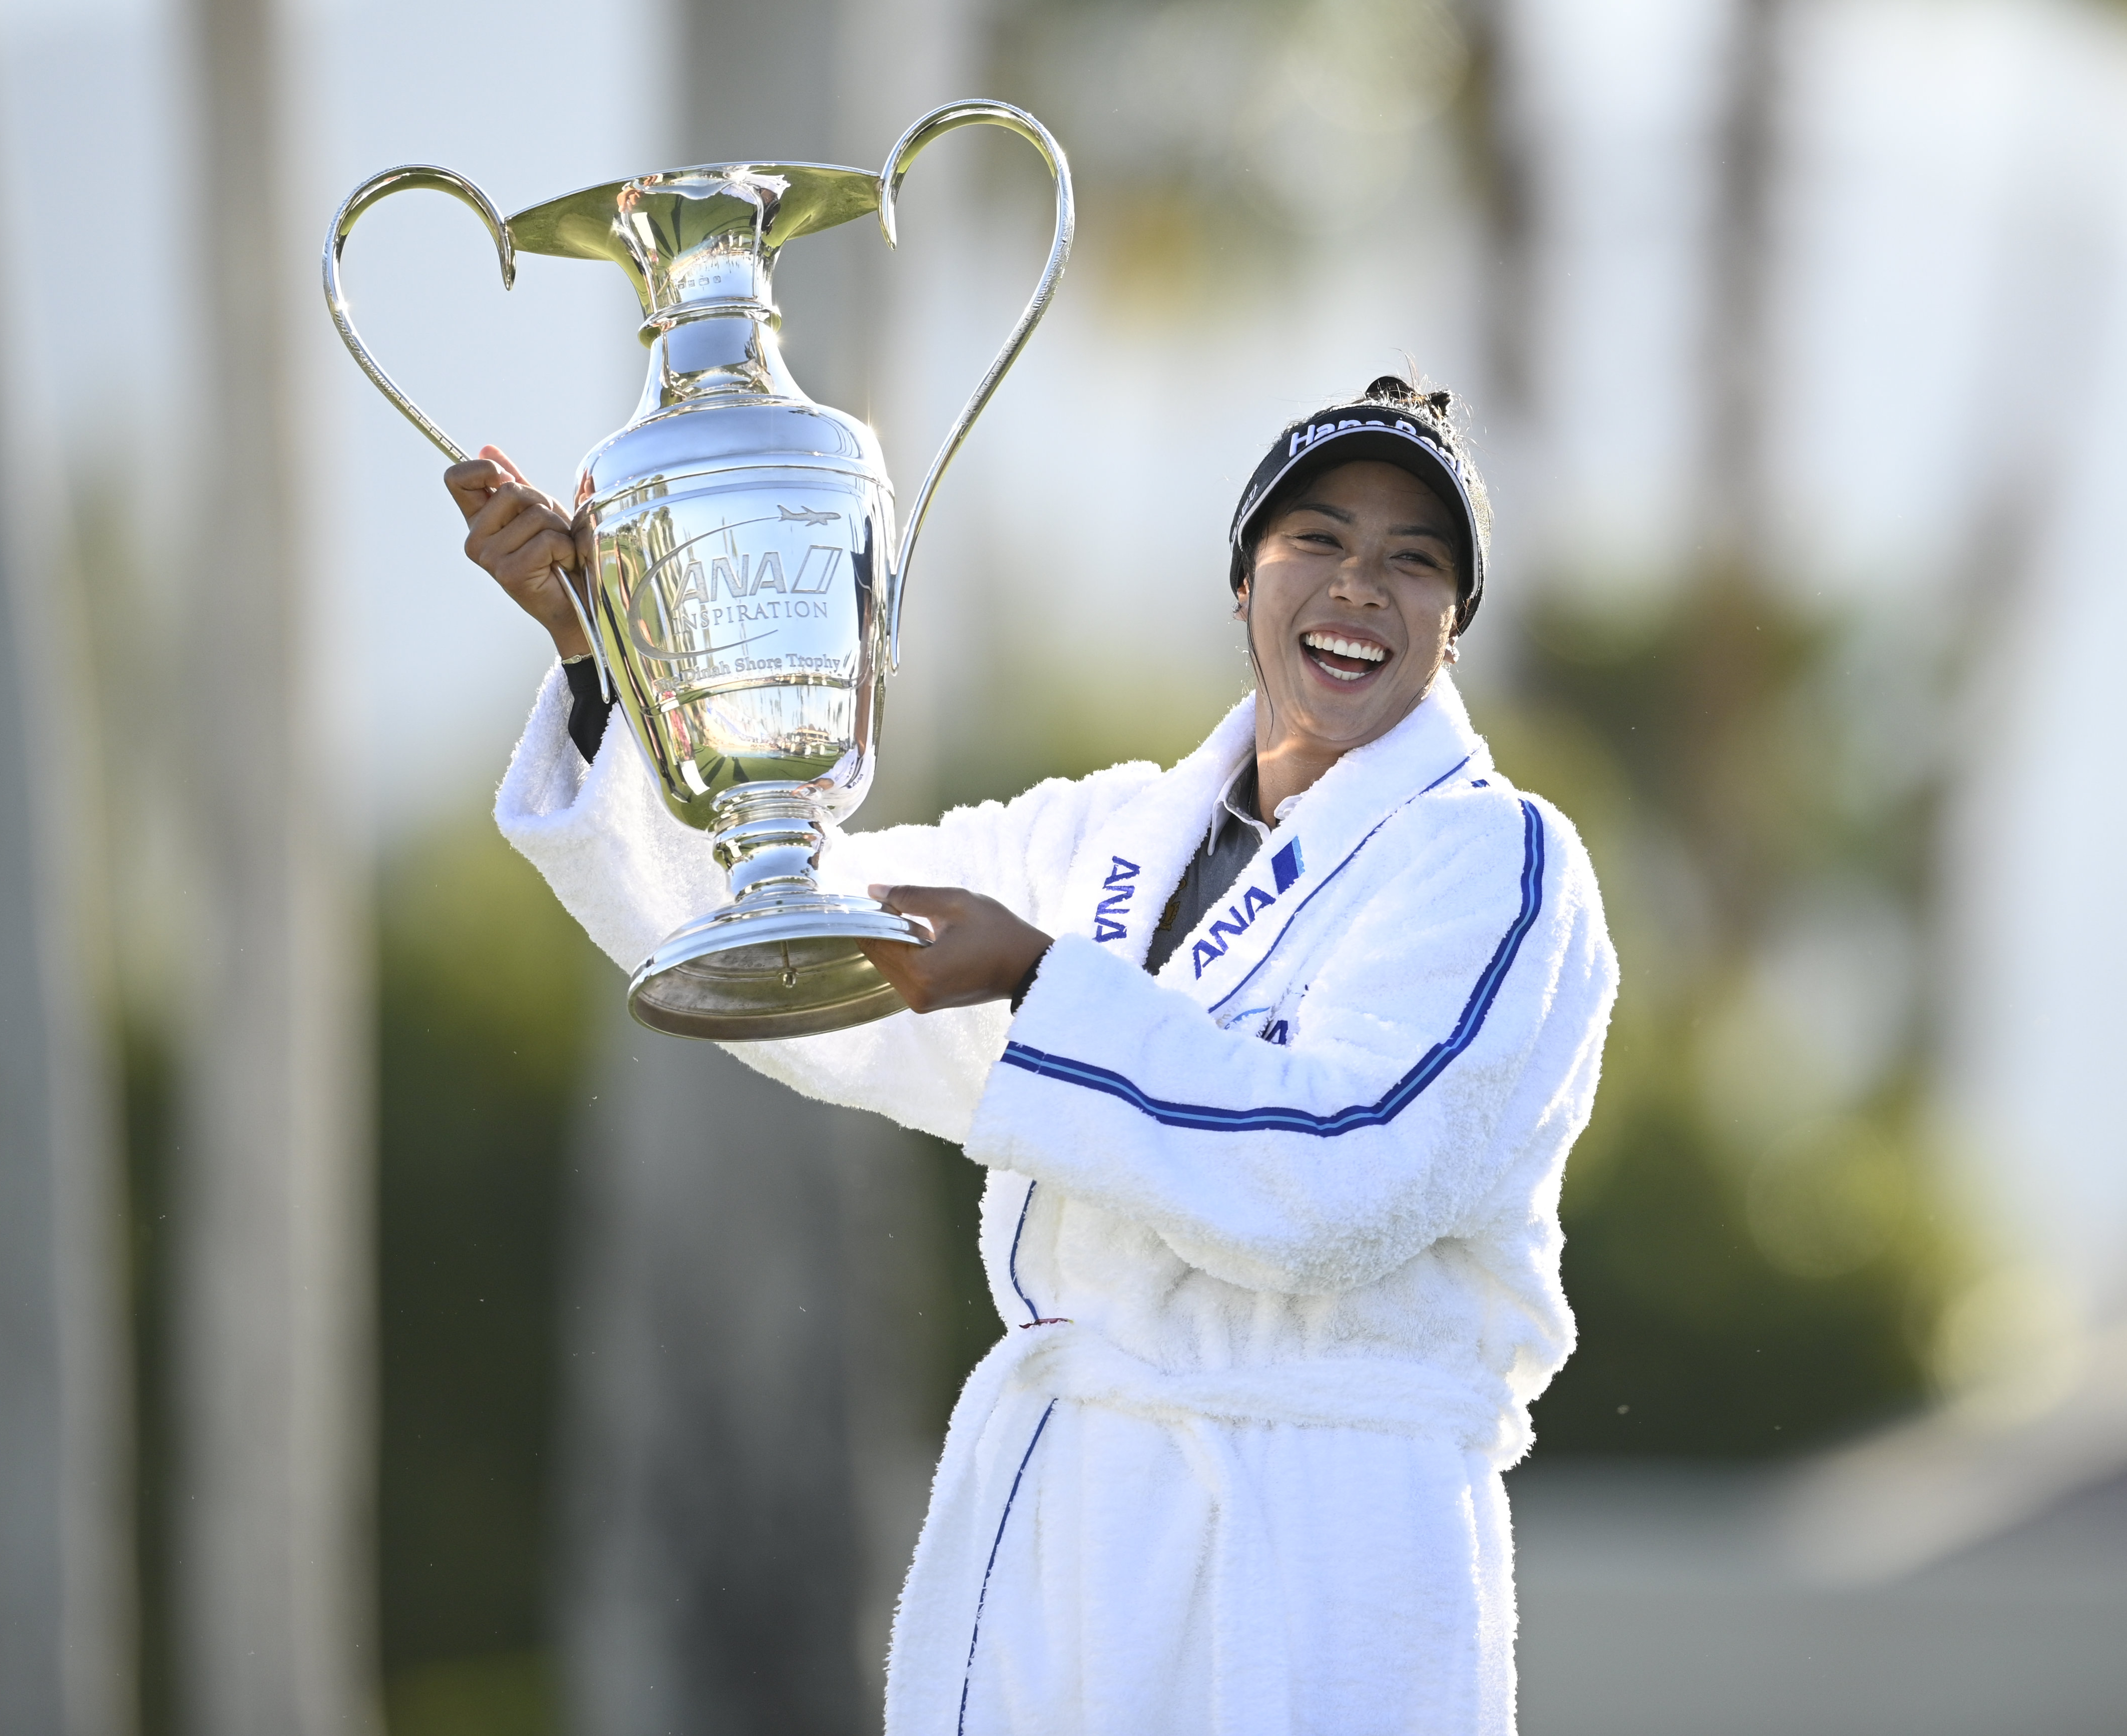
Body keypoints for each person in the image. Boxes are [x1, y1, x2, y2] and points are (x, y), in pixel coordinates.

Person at [453, 376, 1616, 1735]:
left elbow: (1349, 1180)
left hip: (1325, 1548)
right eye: (1315, 540)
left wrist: (1035, 978)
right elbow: (788, 926)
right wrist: (612, 665)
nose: (1360, 585)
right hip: (1072, 1524)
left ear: (1452, 632)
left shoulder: (1493, 857)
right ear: (1241, 581)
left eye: (1413, 563)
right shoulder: (1099, 840)